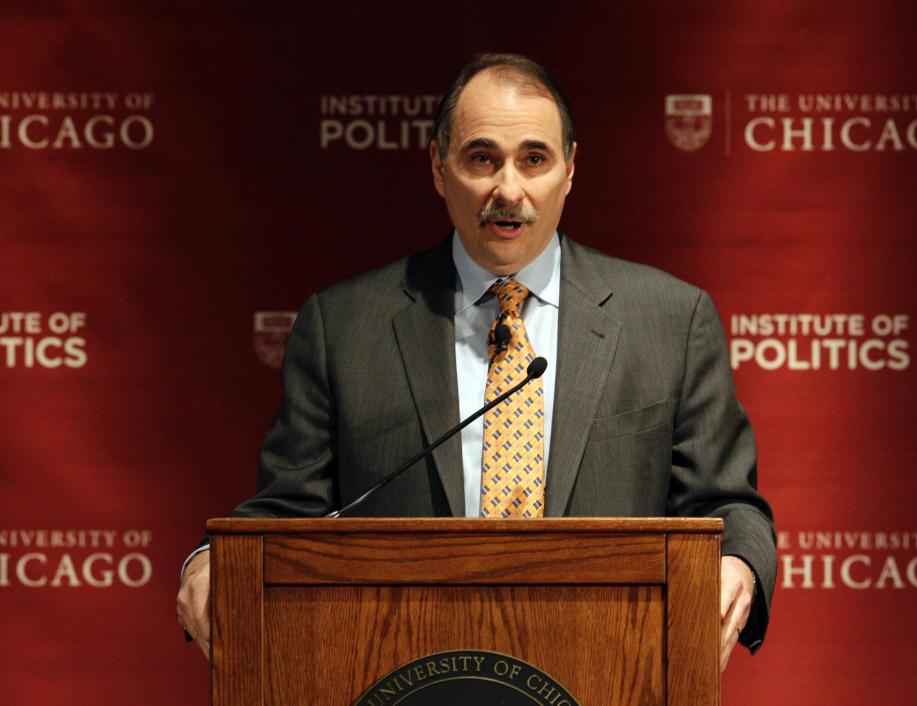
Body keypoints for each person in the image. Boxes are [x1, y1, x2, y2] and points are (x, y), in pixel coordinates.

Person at [176, 52, 775, 672]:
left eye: (534, 160)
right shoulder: (344, 328)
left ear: (570, 169)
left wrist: (736, 565)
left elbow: (728, 505)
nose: (507, 190)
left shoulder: (671, 320)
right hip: (404, 671)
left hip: (610, 668)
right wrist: (210, 559)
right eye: (481, 158)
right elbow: (288, 512)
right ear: (439, 168)